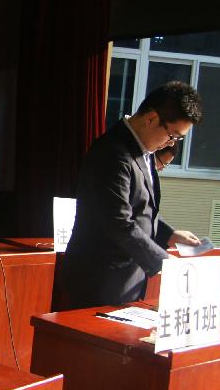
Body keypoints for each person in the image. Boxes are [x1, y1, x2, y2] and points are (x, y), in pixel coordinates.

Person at [59, 81, 203, 309]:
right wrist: (164, 261)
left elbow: (140, 207)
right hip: (99, 281)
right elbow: (117, 222)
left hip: (125, 279)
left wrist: (169, 234)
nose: (171, 143)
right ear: (151, 118)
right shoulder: (112, 153)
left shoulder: (144, 150)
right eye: (172, 136)